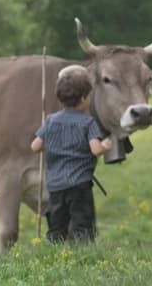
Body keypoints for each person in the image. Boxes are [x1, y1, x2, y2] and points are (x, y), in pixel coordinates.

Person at [31, 65, 113, 243]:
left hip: (55, 185)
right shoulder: (88, 123)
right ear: (84, 98)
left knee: (57, 225)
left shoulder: (51, 121)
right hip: (79, 185)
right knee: (82, 224)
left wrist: (54, 142)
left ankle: (54, 250)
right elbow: (95, 150)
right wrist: (106, 145)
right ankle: (84, 253)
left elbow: (35, 146)